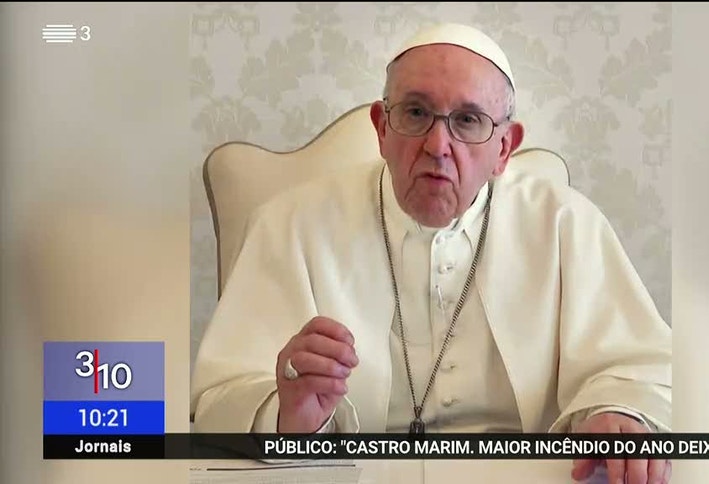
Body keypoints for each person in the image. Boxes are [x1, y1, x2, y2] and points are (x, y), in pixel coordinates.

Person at [191, 22, 672, 483]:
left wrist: (618, 413)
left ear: (505, 147)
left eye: (468, 120)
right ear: (381, 127)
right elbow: (222, 398)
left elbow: (635, 368)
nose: (438, 146)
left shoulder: (565, 223)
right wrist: (287, 415)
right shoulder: (290, 224)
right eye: (416, 113)